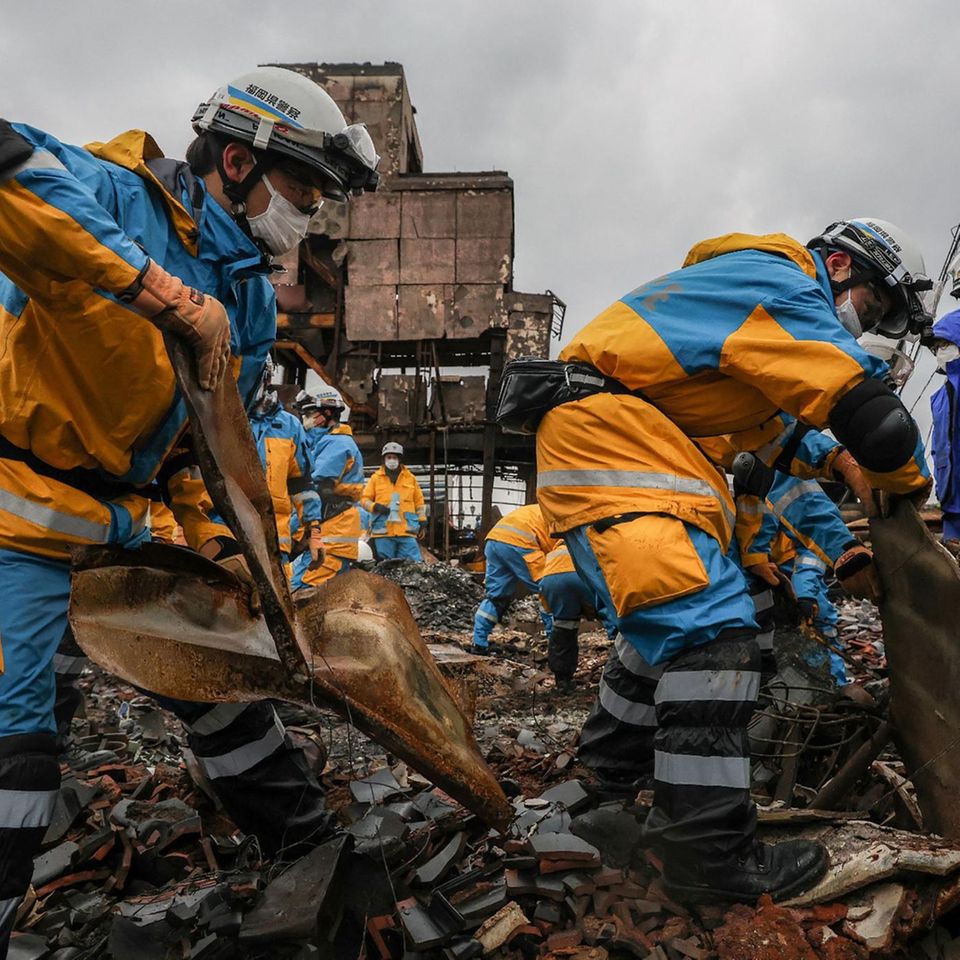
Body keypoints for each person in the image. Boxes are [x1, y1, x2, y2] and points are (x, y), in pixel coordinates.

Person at [0, 65, 378, 951]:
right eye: (305, 189)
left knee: (220, 683)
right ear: (239, 161)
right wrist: (164, 297)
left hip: (126, 530)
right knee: (15, 762)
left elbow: (196, 448)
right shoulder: (111, 193)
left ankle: (305, 848)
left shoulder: (246, 294)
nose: (311, 214)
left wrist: (227, 549)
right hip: (17, 523)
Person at [536, 219, 932, 903]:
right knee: (717, 637)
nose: (866, 322)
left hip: (617, 439)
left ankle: (603, 786)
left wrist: (835, 458)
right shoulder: (779, 284)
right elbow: (870, 412)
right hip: (617, 445)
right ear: (838, 266)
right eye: (873, 304)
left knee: (666, 634)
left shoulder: (738, 297)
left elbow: (756, 431)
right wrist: (904, 484)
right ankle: (708, 857)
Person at [292, 386, 364, 589]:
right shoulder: (324, 443)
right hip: (329, 538)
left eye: (309, 413)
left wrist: (288, 528)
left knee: (296, 594)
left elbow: (313, 488)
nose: (305, 419)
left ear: (328, 413)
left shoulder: (338, 445)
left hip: (330, 540)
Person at [471, 503, 557, 654]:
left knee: (496, 597)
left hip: (494, 541)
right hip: (521, 543)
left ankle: (479, 642)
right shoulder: (562, 518)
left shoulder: (540, 509)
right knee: (548, 589)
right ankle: (556, 643)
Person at [538, 541, 596, 690]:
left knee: (564, 627)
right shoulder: (586, 544)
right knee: (611, 616)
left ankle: (562, 678)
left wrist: (551, 608)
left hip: (552, 582)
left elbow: (544, 590)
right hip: (582, 577)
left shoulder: (553, 553)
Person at [362, 443, 425, 561]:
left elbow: (419, 502)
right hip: (383, 531)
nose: (391, 460)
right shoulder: (375, 478)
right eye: (388, 457)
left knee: (413, 564)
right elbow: (364, 499)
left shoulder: (410, 478)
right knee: (386, 565)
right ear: (384, 459)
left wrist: (422, 520)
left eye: (394, 457)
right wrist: (375, 507)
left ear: (399, 459)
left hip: (406, 531)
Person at [930, 309, 960, 553]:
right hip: (950, 503)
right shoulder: (940, 397)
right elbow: (939, 448)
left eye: (946, 343)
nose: (941, 351)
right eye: (937, 346)